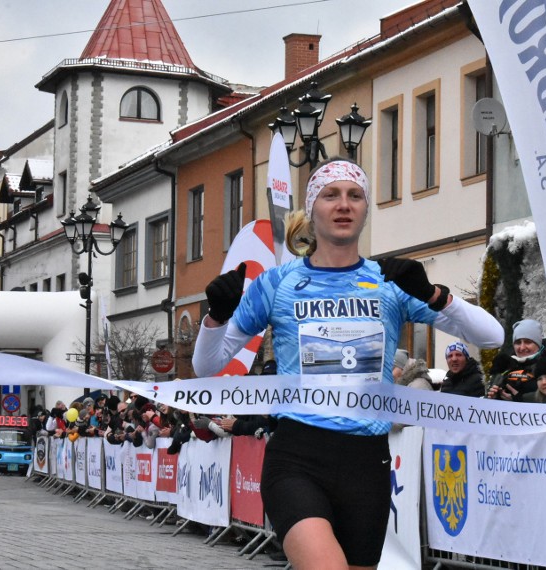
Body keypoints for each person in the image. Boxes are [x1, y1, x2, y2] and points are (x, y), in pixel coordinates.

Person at [192, 158, 504, 569]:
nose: (344, 205)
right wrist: (215, 317)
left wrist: (434, 294)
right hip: (297, 456)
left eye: (355, 196)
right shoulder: (278, 283)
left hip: (367, 463)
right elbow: (206, 365)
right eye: (331, 195)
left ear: (365, 209)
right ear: (312, 208)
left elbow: (493, 337)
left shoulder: (390, 281)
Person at [487, 319, 546, 401]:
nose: (522, 347)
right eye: (518, 342)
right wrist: (495, 397)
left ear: (538, 343)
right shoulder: (504, 367)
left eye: (528, 342)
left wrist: (520, 399)